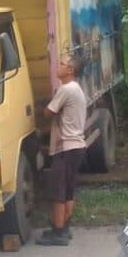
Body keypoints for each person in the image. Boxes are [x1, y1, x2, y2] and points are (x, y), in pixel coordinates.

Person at [38, 55, 87, 246]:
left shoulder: (66, 89)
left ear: (70, 70)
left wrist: (43, 105)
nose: (58, 66)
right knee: (68, 190)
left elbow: (48, 113)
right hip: (76, 147)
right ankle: (64, 227)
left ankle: (58, 232)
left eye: (61, 64)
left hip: (65, 148)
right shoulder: (76, 89)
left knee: (58, 192)